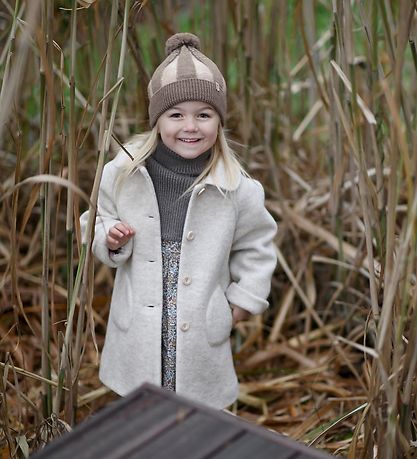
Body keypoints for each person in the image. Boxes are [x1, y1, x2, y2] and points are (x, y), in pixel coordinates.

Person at [80, 32, 277, 410]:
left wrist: (238, 303)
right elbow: (95, 219)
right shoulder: (123, 173)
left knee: (194, 412)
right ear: (157, 120)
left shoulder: (237, 187)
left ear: (219, 122)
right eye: (176, 115)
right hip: (138, 328)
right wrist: (111, 239)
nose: (191, 126)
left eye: (204, 115)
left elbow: (258, 244)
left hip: (201, 328)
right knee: (142, 407)